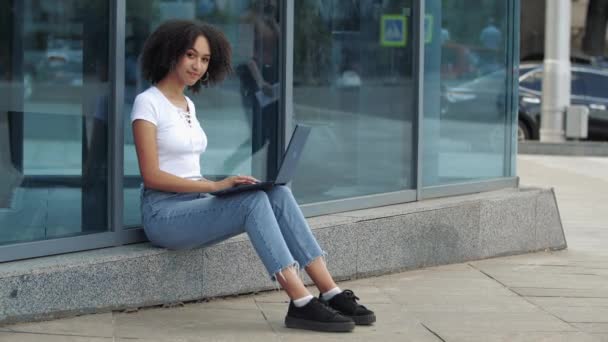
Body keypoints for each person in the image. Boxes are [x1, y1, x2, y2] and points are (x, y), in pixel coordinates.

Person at [131, 19, 375, 333]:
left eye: (205, 59)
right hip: (163, 214)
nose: (197, 65)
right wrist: (215, 185)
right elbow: (151, 176)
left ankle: (331, 291)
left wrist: (221, 188)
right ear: (171, 53)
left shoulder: (188, 104)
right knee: (253, 203)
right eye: (191, 55)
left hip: (195, 203)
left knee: (278, 192)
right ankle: (300, 302)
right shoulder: (147, 103)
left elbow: (186, 168)